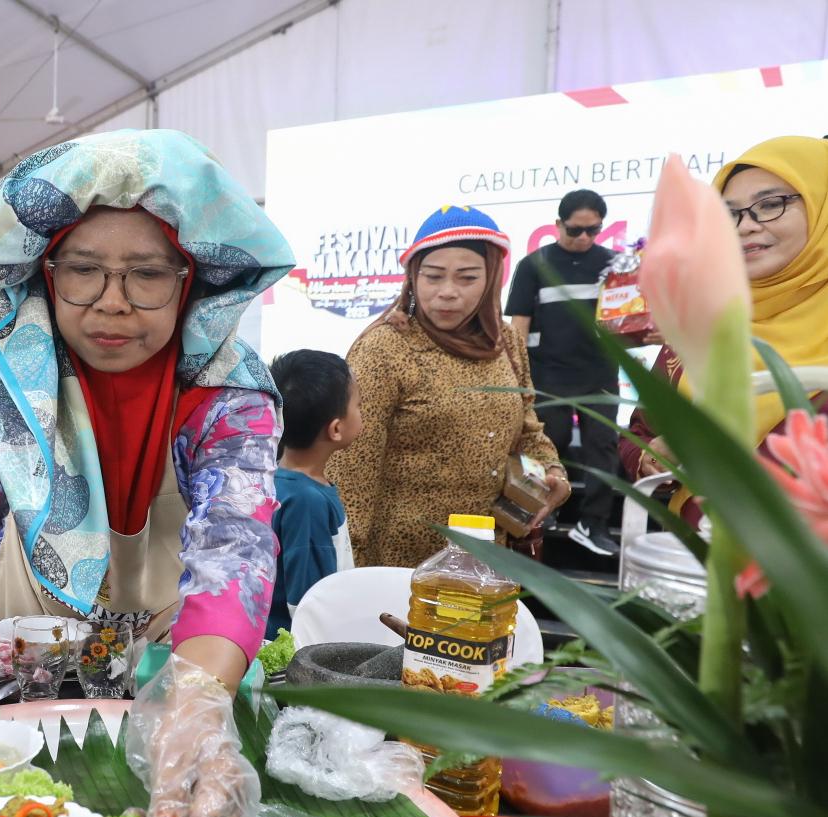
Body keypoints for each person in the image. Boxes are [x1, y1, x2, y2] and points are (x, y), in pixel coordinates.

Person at [0, 129, 295, 817]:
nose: (113, 305)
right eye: (84, 271)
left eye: (147, 275)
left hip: (177, 661)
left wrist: (200, 704)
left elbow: (235, 546)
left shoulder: (229, 396)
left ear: (194, 281)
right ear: (46, 274)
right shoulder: (6, 381)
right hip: (37, 653)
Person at [329, 205, 569, 569]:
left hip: (486, 559)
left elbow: (527, 432)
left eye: (467, 278)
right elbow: (351, 474)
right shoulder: (386, 349)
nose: (447, 292)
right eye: (433, 276)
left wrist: (552, 471)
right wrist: (350, 575)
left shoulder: (505, 343)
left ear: (492, 278)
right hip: (397, 567)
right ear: (413, 276)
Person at [622, 136, 828, 506]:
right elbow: (642, 427)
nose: (745, 226)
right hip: (694, 553)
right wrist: (651, 457)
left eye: (770, 205)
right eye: (729, 213)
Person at [505, 188, 620, 556]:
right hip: (547, 374)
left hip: (599, 373)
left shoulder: (614, 265)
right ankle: (543, 514)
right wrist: (515, 375)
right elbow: (518, 325)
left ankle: (594, 524)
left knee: (603, 447)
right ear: (558, 225)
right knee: (543, 446)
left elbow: (624, 319)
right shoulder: (533, 265)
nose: (584, 238)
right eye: (575, 230)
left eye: (593, 230)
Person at [266, 349, 360, 639]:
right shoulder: (307, 503)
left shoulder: (282, 482)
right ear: (336, 428)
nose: (361, 411)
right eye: (358, 404)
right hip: (295, 651)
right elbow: (308, 601)